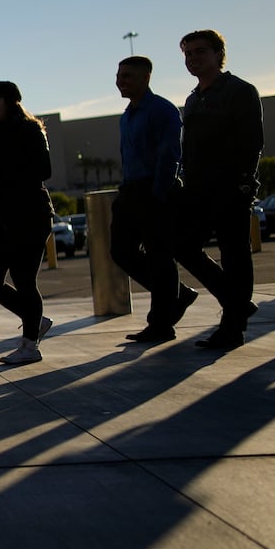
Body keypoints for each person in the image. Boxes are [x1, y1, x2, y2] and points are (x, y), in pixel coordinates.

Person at [172, 29, 265, 349]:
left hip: (230, 189)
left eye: (200, 52)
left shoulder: (240, 91)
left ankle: (233, 326)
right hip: (198, 190)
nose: (193, 59)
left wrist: (243, 183)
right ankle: (237, 302)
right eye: (187, 54)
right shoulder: (193, 98)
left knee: (235, 255)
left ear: (217, 55)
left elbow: (252, 142)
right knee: (183, 246)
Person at [0, 81, 54, 365]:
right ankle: (35, 319)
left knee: (24, 279)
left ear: (11, 102)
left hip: (30, 214)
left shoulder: (30, 130)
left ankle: (30, 345)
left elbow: (44, 170)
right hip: (1, 216)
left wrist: (1, 175)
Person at [111, 57, 194, 344]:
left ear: (146, 77)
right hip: (131, 191)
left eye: (128, 76)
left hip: (155, 191)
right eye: (119, 76)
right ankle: (178, 295)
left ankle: (161, 324)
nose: (121, 81)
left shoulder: (162, 110)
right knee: (121, 252)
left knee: (160, 257)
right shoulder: (127, 115)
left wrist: (159, 194)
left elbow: (170, 155)